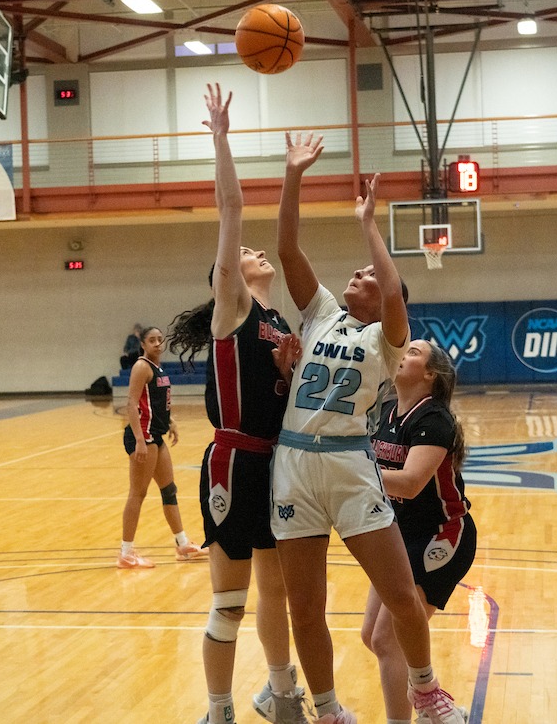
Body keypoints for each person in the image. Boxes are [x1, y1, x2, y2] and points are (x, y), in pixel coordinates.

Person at [272, 165, 468, 724]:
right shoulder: (321, 313)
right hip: (293, 464)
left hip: (348, 464)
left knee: (401, 595)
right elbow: (287, 249)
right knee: (304, 607)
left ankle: (425, 690)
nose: (359, 274)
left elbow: (393, 290)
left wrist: (369, 224)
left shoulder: (388, 340)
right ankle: (329, 711)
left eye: (369, 274)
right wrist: (293, 175)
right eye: (357, 270)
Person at [167, 84, 315, 724]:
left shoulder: (279, 321)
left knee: (276, 594)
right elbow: (231, 209)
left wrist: (290, 372)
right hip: (233, 462)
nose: (254, 252)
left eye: (254, 251)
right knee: (230, 602)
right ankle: (218, 708)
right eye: (247, 253)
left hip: (277, 463)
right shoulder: (233, 308)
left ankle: (281, 695)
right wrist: (222, 139)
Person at [363, 340, 476, 724]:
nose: (403, 354)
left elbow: (410, 483)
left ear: (430, 374)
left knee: (387, 640)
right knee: (372, 636)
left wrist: (352, 473)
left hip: (441, 535)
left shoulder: (434, 419)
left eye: (413, 352)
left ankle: (420, 710)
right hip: (398, 535)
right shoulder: (385, 412)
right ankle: (439, 708)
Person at [118, 325, 208, 569]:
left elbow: (156, 402)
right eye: (152, 340)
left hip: (156, 435)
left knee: (169, 490)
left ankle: (182, 544)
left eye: (160, 339)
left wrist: (170, 421)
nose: (157, 343)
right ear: (143, 345)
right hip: (143, 437)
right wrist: (139, 440)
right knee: (138, 493)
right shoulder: (141, 367)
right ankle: (126, 553)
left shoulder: (158, 367)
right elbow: (131, 404)